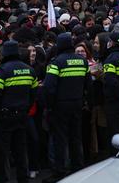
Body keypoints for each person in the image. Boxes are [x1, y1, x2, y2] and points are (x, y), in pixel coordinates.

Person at [0, 40, 37, 183]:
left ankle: (2, 179)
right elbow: (34, 93)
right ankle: (23, 178)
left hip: (4, 116)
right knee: (20, 150)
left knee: (2, 152)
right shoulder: (29, 70)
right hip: (22, 115)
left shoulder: (2, 71)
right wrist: (25, 108)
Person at [42, 33, 91, 182]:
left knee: (60, 139)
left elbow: (49, 87)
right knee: (76, 137)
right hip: (77, 103)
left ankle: (60, 171)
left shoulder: (57, 63)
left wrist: (49, 106)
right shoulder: (82, 62)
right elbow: (88, 84)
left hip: (60, 106)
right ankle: (78, 168)